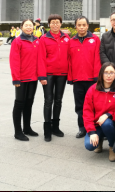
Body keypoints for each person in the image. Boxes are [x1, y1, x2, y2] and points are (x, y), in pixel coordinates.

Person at [68, 16, 101, 138]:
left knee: (94, 105)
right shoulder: (71, 41)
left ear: (88, 26)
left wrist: (97, 77)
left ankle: (95, 128)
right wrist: (70, 78)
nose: (81, 27)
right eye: (79, 25)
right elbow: (70, 61)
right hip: (77, 79)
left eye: (84, 25)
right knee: (80, 105)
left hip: (92, 79)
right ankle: (82, 128)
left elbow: (98, 59)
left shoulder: (95, 39)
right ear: (75, 26)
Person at [38, 14, 70, 142]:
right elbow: (40, 58)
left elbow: (70, 56)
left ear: (61, 24)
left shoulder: (66, 38)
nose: (55, 24)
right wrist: (42, 76)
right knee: (48, 101)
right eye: (53, 22)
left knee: (58, 100)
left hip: (62, 74)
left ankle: (56, 127)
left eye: (57, 22)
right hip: (48, 75)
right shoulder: (44, 39)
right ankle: (47, 130)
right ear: (49, 24)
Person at [9, 19, 41, 141]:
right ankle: (18, 131)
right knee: (19, 103)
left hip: (33, 77)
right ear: (21, 27)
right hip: (21, 78)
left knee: (29, 103)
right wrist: (16, 78)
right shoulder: (17, 41)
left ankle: (27, 128)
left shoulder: (37, 41)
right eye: (26, 25)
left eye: (30, 25)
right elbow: (14, 61)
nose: (29, 27)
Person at [83, 62, 115, 162]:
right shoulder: (92, 90)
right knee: (89, 146)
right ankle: (98, 140)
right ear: (101, 74)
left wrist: (108, 115)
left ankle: (112, 146)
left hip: (112, 123)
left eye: (111, 72)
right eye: (106, 72)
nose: (109, 75)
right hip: (96, 125)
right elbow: (87, 112)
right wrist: (91, 132)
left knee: (106, 123)